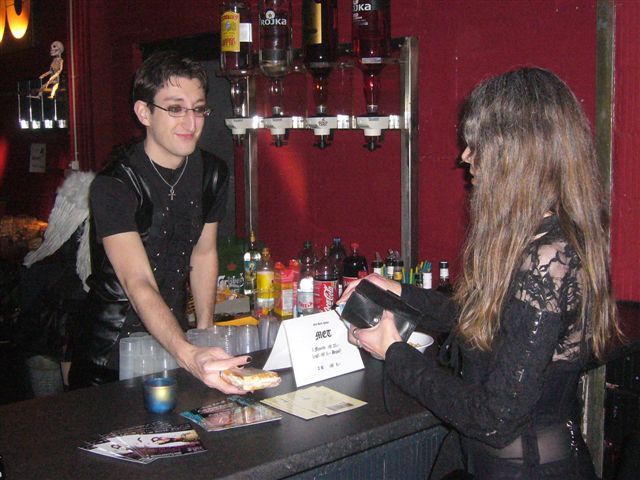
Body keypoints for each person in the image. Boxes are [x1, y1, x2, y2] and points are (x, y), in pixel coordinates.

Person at [339, 68, 622, 479]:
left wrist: (394, 352)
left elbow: (495, 418)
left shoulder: (550, 257)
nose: (465, 156)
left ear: (517, 153)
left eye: (477, 145)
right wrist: (397, 291)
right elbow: (489, 321)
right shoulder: (535, 237)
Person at [69, 51, 248, 393]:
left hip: (172, 341)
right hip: (110, 354)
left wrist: (204, 332)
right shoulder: (115, 184)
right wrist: (189, 354)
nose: (191, 123)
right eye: (176, 109)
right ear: (144, 112)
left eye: (198, 109)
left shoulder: (212, 173)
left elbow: (203, 254)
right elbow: (136, 281)